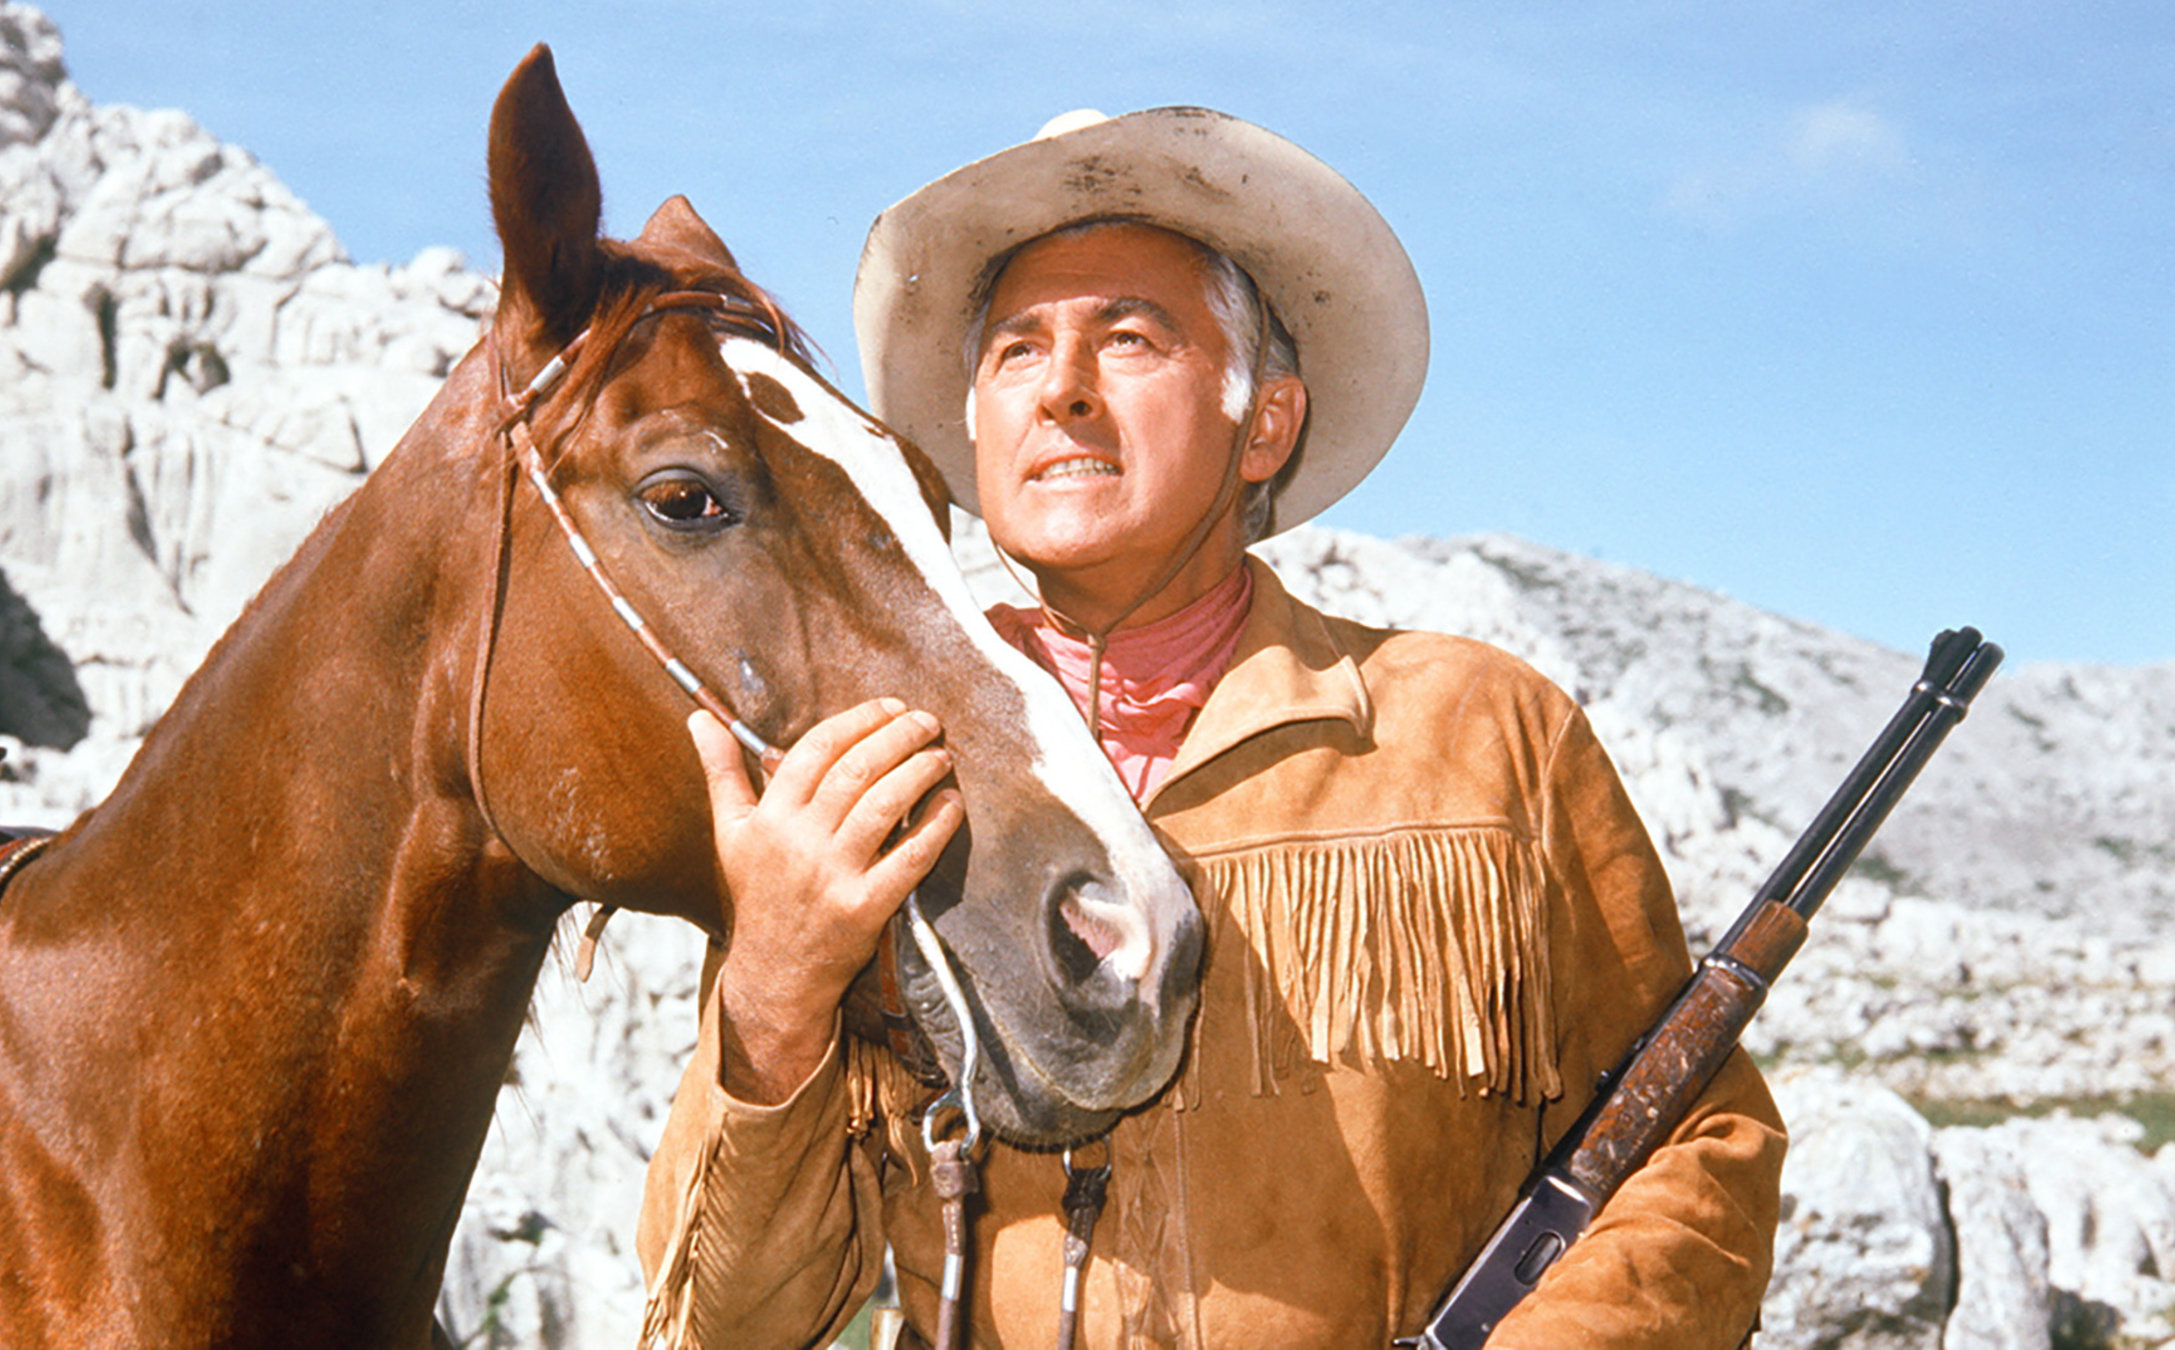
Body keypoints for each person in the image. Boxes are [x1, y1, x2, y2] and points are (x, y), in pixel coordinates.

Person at [638, 107, 1784, 1349]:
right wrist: (774, 984)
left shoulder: (1488, 731)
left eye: (1128, 338)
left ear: (1267, 424)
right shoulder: (869, 767)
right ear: (976, 429)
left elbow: (1693, 1147)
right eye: (1017, 352)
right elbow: (735, 1320)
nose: (1063, 389)